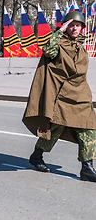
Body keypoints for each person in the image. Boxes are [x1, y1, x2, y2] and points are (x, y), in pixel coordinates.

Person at [23, 11, 96, 182]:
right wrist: (59, 31)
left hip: (81, 94)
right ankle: (37, 155)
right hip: (63, 95)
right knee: (55, 129)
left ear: (82, 28)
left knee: (89, 128)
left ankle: (87, 167)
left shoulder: (81, 46)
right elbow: (48, 50)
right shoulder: (59, 43)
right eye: (71, 25)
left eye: (78, 25)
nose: (75, 28)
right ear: (66, 26)